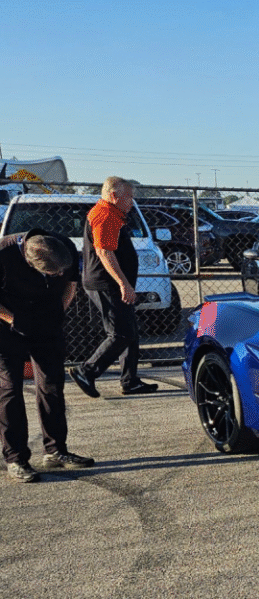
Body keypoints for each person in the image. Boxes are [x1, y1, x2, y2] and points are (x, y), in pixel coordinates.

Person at [0, 230, 95, 482]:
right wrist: (13, 320)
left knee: (52, 384)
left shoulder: (64, 247)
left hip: (46, 323)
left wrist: (57, 313)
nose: (59, 275)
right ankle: (16, 458)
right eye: (53, 274)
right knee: (10, 389)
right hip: (8, 325)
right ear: (30, 263)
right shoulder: (3, 254)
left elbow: (71, 284)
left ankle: (55, 451)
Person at [70, 177, 158, 398]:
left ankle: (130, 381)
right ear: (114, 195)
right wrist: (123, 284)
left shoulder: (112, 214)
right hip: (106, 283)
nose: (132, 201)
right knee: (120, 333)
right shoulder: (106, 215)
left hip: (111, 283)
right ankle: (86, 371)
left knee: (130, 332)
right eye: (129, 196)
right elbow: (104, 252)